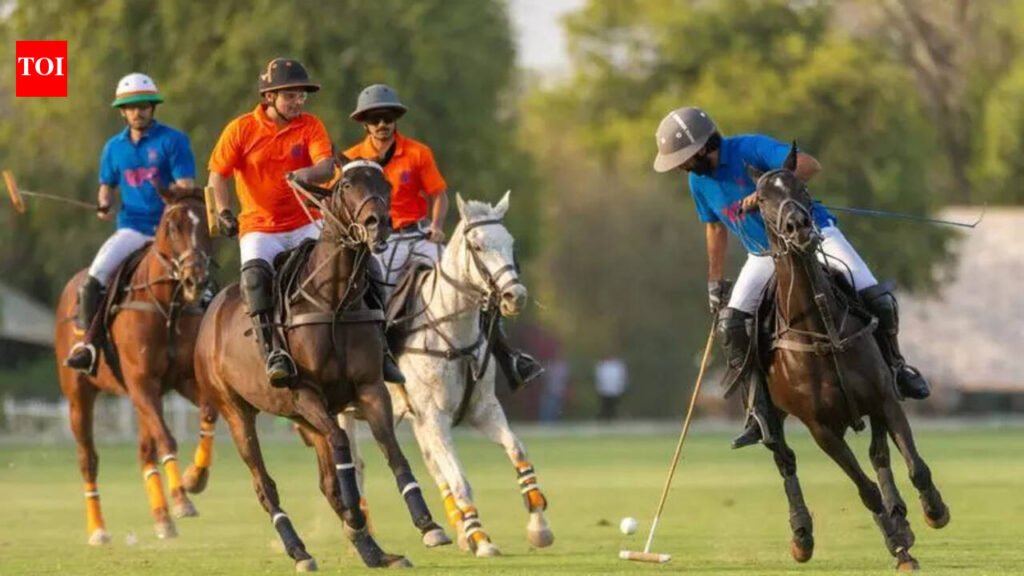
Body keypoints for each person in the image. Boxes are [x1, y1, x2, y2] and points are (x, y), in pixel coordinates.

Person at [652, 106, 931, 449]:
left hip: (814, 234)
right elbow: (714, 226)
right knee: (732, 327)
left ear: (704, 146)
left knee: (878, 298)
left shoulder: (749, 148)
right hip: (765, 255)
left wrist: (765, 190)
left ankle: (897, 369)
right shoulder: (697, 182)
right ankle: (759, 411)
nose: (680, 165)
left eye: (683, 157)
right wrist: (715, 281)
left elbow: (810, 165)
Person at [207, 58, 404, 387]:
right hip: (259, 227)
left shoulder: (311, 125)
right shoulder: (240, 129)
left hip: (306, 222)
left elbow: (327, 167)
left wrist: (303, 175)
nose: (299, 101)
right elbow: (217, 176)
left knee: (365, 265)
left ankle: (381, 348)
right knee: (255, 279)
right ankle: (273, 352)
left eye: (302, 96)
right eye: (291, 96)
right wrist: (224, 212)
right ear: (270, 97)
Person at [343, 83, 543, 391]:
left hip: (419, 235)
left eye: (389, 117)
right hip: (380, 241)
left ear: (396, 119)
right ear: (364, 123)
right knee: (371, 296)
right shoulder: (353, 160)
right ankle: (376, 359)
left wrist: (436, 226)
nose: (382, 124)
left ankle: (510, 357)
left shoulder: (418, 152)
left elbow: (439, 195)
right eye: (375, 118)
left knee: (469, 285)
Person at [64, 73, 196, 373]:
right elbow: (106, 185)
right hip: (133, 229)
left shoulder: (173, 140)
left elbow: (186, 186)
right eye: (131, 107)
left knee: (200, 274)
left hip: (171, 231)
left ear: (153, 107)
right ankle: (88, 344)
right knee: (94, 279)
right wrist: (104, 203)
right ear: (122, 112)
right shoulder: (113, 148)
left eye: (144, 105)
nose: (138, 112)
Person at [594, 356, 627, 421]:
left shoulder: (618, 365)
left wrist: (621, 387)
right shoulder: (602, 365)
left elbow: (622, 377)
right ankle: (604, 418)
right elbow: (599, 378)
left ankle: (613, 418)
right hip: (605, 390)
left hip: (614, 390)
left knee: (613, 406)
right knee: (605, 406)